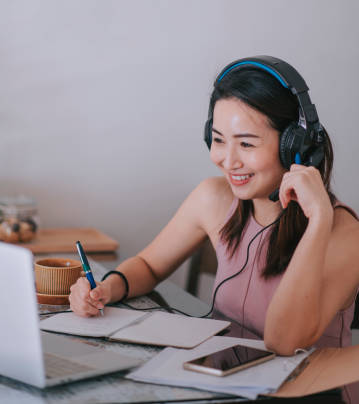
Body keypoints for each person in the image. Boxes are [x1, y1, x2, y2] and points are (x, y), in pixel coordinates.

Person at [70, 57, 359, 361]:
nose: (228, 160)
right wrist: (105, 290)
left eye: (246, 145)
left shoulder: (345, 234)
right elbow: (149, 265)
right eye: (219, 140)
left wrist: (318, 222)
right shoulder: (214, 198)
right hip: (222, 379)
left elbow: (284, 342)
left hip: (310, 393)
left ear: (294, 147)